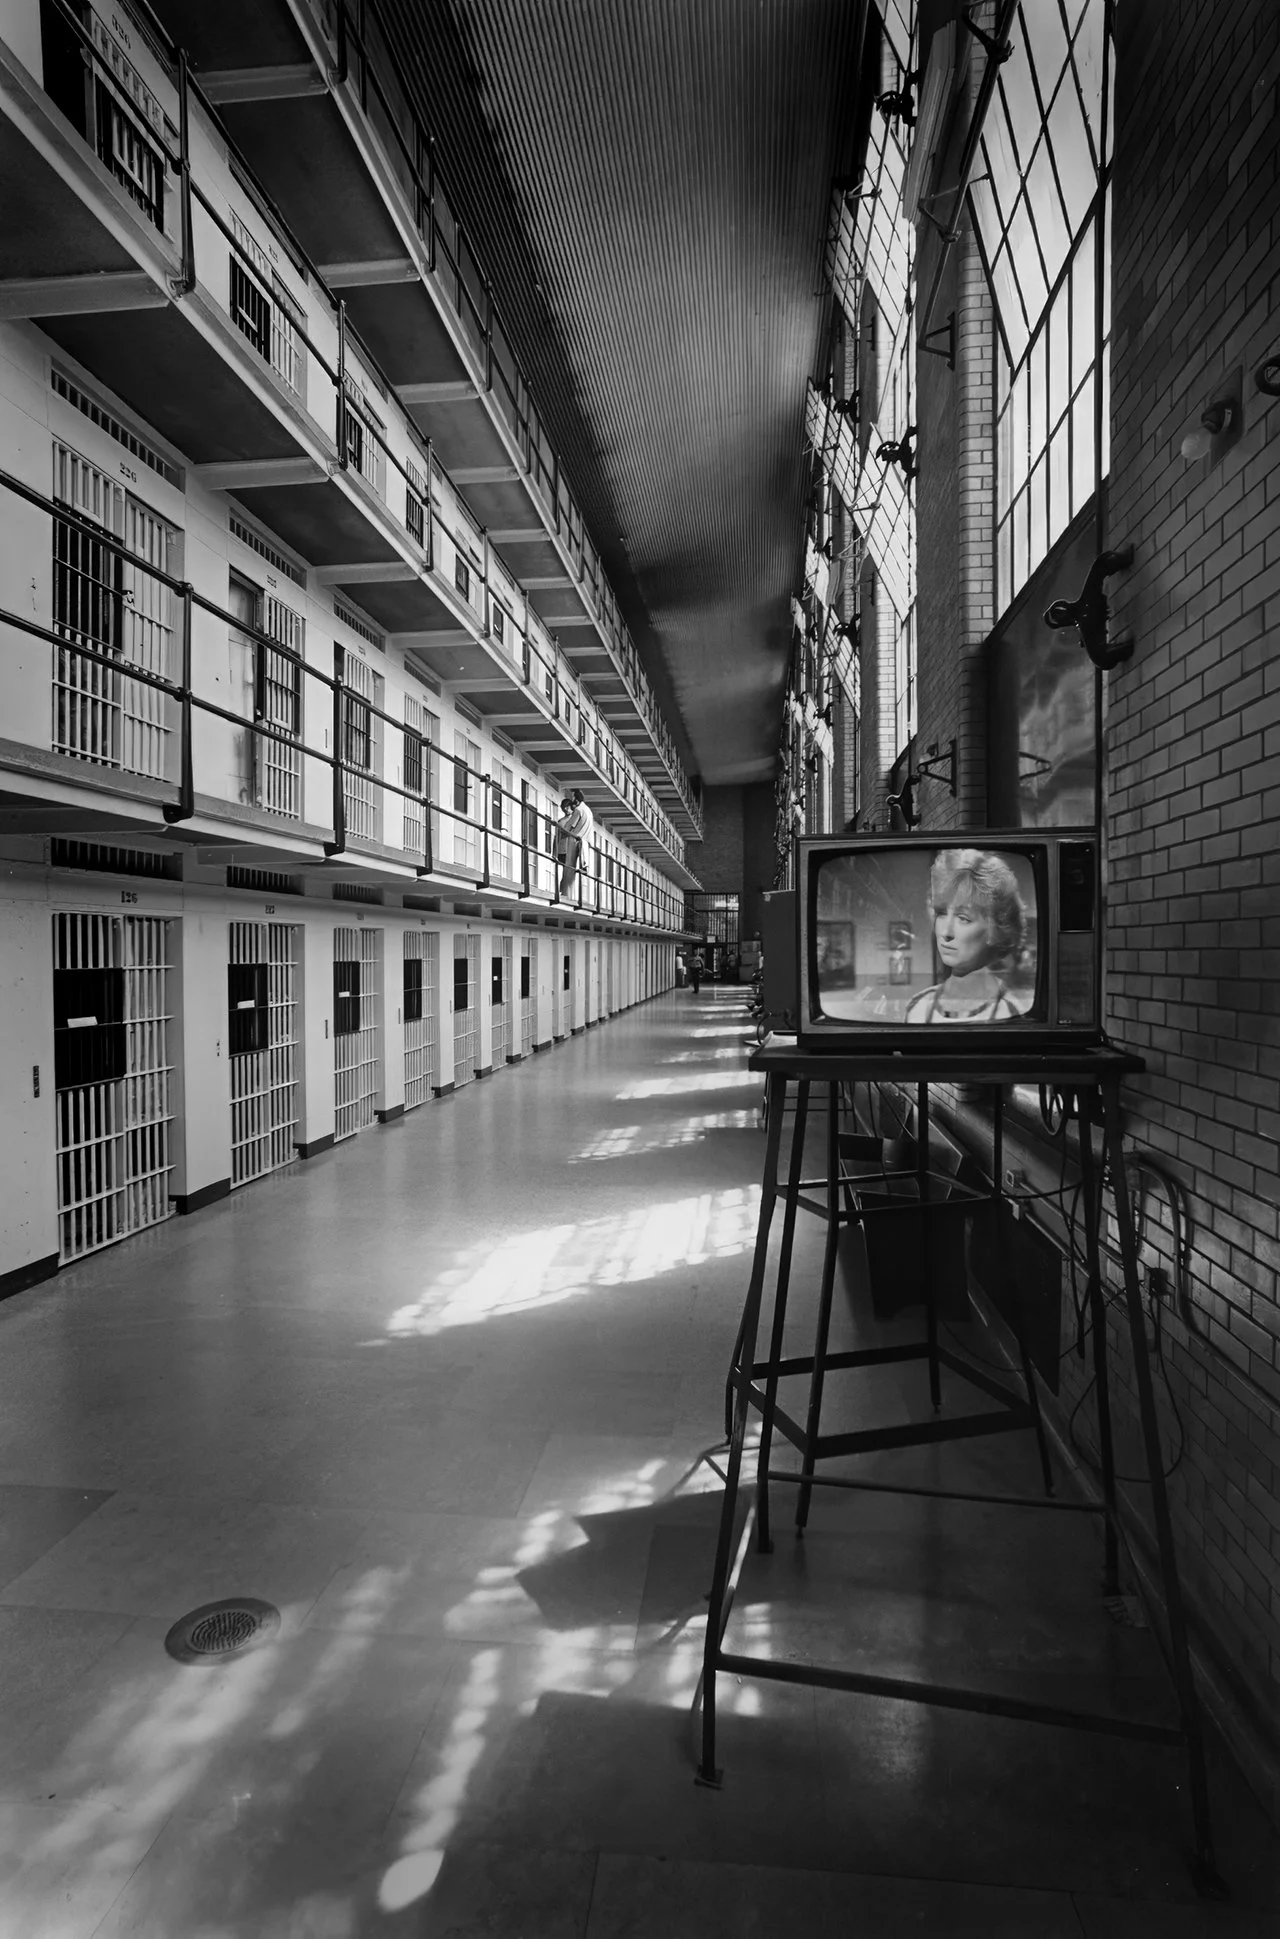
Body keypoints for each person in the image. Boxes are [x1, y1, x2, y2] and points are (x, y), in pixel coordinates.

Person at [905, 848, 1032, 1024]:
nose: (945, 932)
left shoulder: (1010, 1013)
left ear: (994, 930)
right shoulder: (917, 1008)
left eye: (963, 918)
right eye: (941, 913)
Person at [556, 788, 594, 897]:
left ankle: (565, 894)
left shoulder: (578, 811)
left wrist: (558, 826)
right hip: (584, 842)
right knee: (573, 872)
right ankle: (570, 894)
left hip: (574, 841)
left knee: (569, 869)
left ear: (576, 799)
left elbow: (569, 826)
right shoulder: (588, 811)